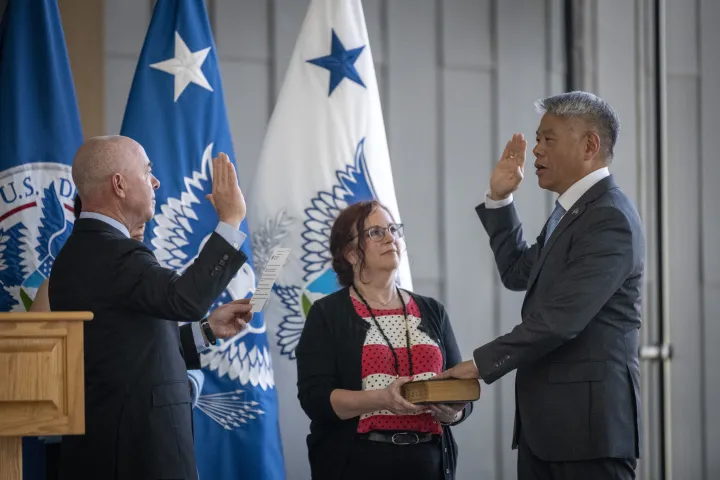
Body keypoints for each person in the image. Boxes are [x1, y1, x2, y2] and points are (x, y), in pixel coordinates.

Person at [438, 91, 644, 480]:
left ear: (589, 145)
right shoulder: (572, 214)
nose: (535, 151)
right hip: (547, 430)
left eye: (549, 139)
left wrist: (478, 365)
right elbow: (518, 272)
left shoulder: (609, 218)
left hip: (588, 435)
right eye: (537, 138)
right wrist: (500, 200)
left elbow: (560, 321)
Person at [49, 136, 252, 480]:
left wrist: (206, 331)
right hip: (135, 455)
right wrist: (230, 221)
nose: (156, 182)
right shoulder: (111, 251)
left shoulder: (90, 249)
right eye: (147, 172)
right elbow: (185, 299)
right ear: (119, 185)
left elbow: (132, 349)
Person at [296, 200, 473, 480]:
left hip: (429, 462)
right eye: (376, 232)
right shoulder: (327, 313)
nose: (391, 237)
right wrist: (381, 399)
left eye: (393, 229)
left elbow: (461, 390)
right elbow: (316, 400)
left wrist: (451, 413)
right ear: (352, 253)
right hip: (357, 462)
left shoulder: (432, 310)